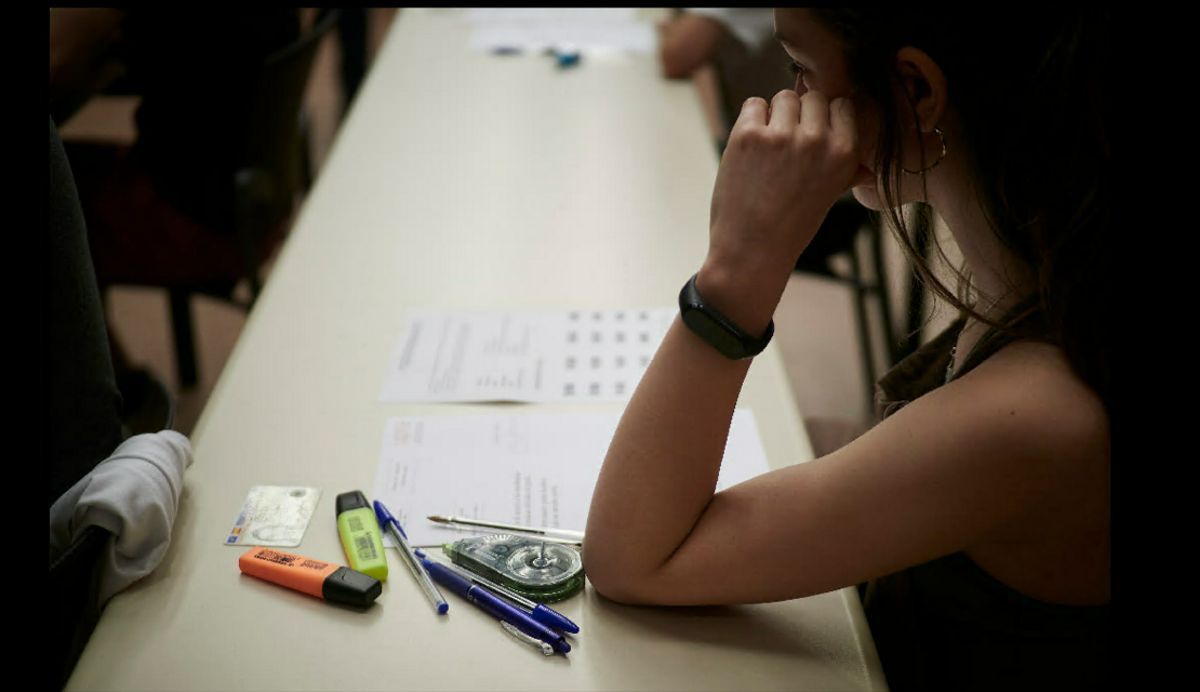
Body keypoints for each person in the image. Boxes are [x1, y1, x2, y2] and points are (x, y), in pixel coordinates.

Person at [585, 8, 1110, 691]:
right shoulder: (1044, 271)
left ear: (917, 91)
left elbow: (634, 560)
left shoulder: (1037, 413)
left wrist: (737, 272)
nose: (788, 101)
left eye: (801, 70)